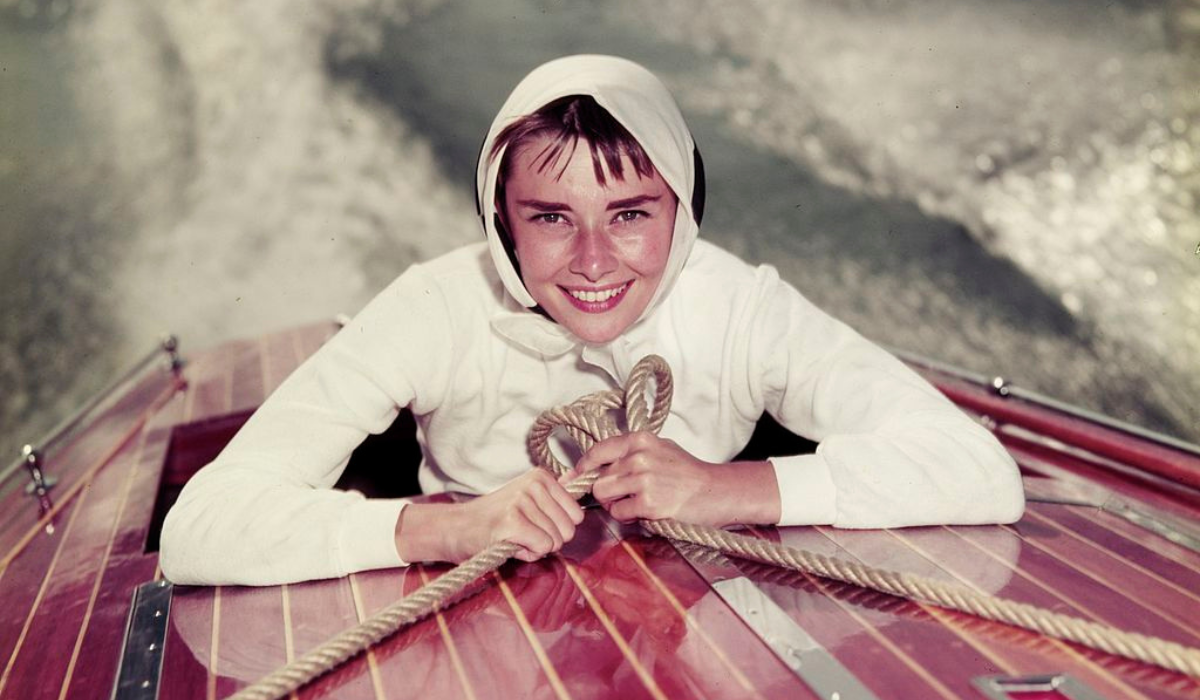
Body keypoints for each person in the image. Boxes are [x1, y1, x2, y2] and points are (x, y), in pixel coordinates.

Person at [160, 55, 1024, 586]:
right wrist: (449, 526)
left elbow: (980, 472)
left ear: (684, 212)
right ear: (501, 223)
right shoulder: (432, 306)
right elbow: (201, 530)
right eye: (549, 217)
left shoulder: (740, 305)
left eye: (631, 214)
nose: (594, 260)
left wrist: (732, 489)